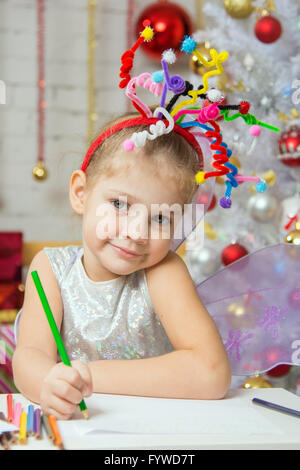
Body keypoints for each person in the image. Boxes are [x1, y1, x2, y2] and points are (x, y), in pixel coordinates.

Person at [12, 108, 231, 420]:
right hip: (78, 429)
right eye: (119, 204)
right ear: (80, 193)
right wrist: (48, 384)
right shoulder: (49, 268)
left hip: (154, 430)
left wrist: (89, 377)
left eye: (160, 218)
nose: (136, 232)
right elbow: (30, 357)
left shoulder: (163, 271)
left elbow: (211, 372)